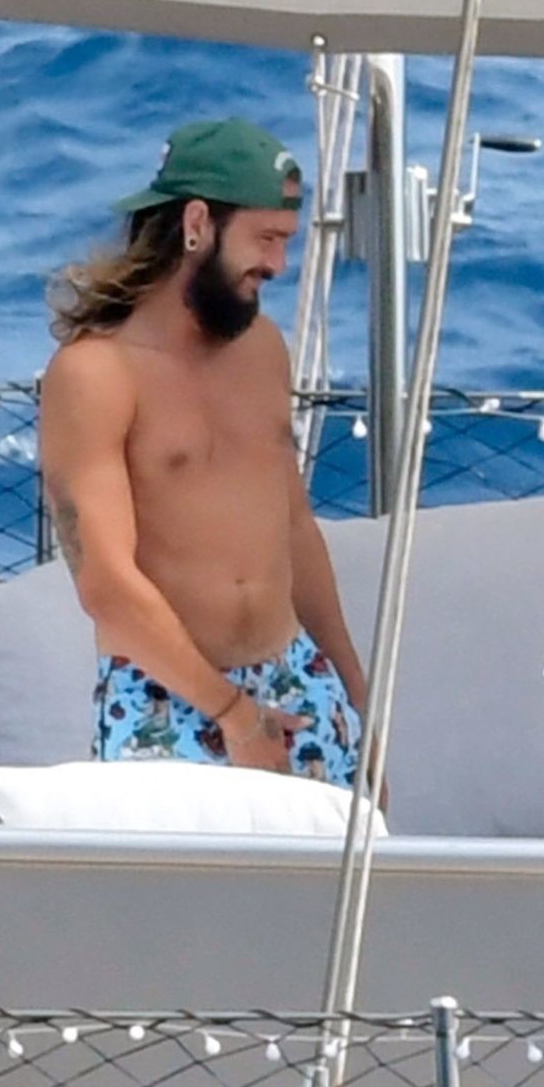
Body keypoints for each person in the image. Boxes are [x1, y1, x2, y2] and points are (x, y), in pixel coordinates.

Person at [40, 118, 368, 786]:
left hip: (297, 680)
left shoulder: (263, 349)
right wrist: (234, 715)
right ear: (197, 224)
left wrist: (357, 699)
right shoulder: (96, 374)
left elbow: (295, 529)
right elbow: (105, 583)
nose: (278, 265)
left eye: (286, 241)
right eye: (266, 239)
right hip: (167, 697)